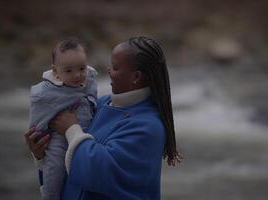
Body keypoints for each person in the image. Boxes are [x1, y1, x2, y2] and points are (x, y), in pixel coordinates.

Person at [25, 36, 180, 200]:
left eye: (115, 67)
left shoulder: (149, 127)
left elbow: (98, 172)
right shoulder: (99, 104)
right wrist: (42, 153)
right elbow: (69, 163)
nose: (108, 70)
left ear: (136, 77)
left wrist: (71, 129)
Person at [28, 37, 97, 200]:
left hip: (87, 133)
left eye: (81, 68)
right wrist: (38, 137)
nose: (77, 75)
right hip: (58, 139)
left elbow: (93, 101)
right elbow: (38, 117)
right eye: (68, 71)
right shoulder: (47, 93)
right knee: (55, 168)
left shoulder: (90, 81)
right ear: (55, 71)